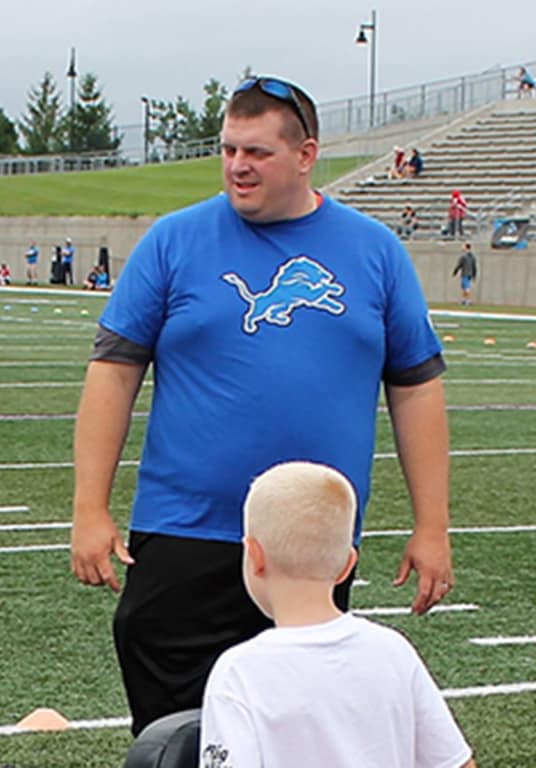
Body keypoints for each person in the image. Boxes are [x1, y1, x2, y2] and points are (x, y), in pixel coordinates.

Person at [70, 75, 453, 737]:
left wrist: (433, 526)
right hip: (186, 532)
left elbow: (416, 388)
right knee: (177, 736)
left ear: (306, 155)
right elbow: (113, 373)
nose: (238, 167)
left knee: (299, 731)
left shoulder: (375, 251)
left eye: (257, 153)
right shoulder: (174, 241)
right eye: (229, 150)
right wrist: (88, 509)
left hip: (313, 544)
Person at [201, 461, 475, 768]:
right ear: (347, 565)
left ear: (254, 555)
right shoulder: (392, 650)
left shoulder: (240, 672)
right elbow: (455, 763)